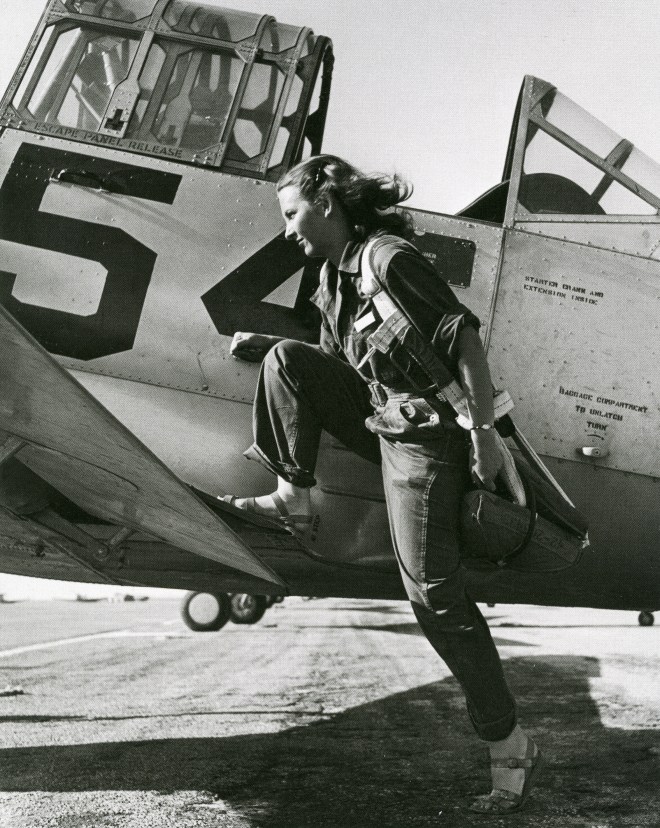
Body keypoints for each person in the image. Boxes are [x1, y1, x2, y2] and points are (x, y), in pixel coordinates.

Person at [223, 154, 541, 814]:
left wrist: (482, 435)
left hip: (428, 439)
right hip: (381, 418)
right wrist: (270, 345)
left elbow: (465, 341)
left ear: (328, 204)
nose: (288, 231)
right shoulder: (328, 281)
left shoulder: (388, 259)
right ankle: (292, 495)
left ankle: (509, 742)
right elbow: (338, 366)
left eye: (293, 214)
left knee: (433, 596)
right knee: (287, 360)